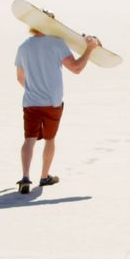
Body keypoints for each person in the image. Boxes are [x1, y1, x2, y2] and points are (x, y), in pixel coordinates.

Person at [14, 27, 100, 194]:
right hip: (52, 103)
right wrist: (89, 49)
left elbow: (19, 77)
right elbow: (76, 68)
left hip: (31, 102)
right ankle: (44, 177)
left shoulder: (23, 46)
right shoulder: (56, 43)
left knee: (29, 139)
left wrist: (33, 90)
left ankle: (25, 178)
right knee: (50, 139)